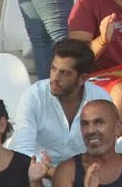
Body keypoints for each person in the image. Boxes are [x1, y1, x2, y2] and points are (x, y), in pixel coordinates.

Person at [11, 39, 111, 171]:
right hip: (37, 174)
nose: (55, 78)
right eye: (53, 69)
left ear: (83, 79)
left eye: (65, 73)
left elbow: (107, 148)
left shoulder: (100, 99)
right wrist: (54, 173)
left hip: (82, 174)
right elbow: (21, 151)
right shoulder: (34, 96)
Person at [51, 99, 122, 187]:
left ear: (118, 127)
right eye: (85, 124)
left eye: (99, 122)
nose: (90, 130)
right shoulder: (66, 172)